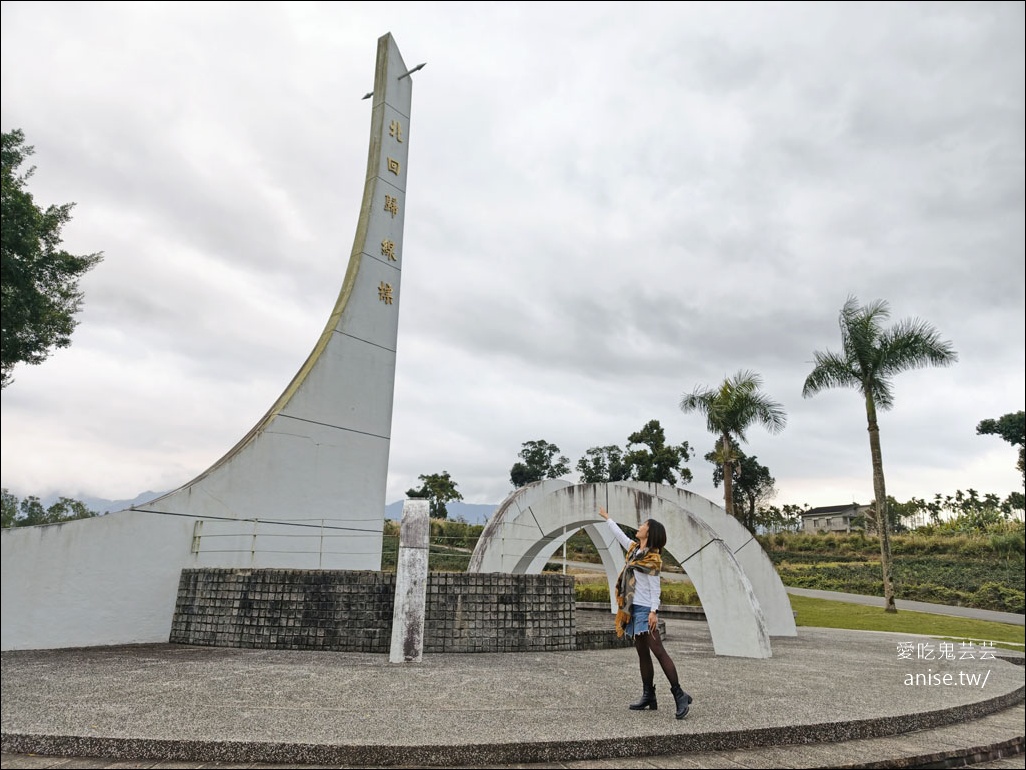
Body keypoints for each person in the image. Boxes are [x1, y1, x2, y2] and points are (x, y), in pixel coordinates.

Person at [598, 504, 692, 719]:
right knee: (642, 653)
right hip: (631, 609)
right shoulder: (634, 551)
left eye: (643, 525)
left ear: (649, 533)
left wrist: (653, 611)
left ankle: (680, 694)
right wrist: (607, 518)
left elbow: (655, 587)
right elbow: (620, 536)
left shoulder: (652, 559)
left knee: (658, 650)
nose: (639, 527)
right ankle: (649, 695)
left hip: (644, 609)